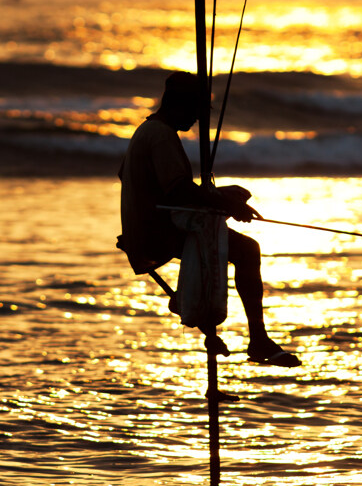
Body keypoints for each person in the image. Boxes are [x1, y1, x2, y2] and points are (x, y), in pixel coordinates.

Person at [118, 71, 301, 367]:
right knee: (247, 250)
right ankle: (258, 340)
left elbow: (137, 178)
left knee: (229, 222)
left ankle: (223, 322)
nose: (196, 120)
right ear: (180, 104)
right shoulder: (161, 135)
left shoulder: (147, 130)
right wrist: (225, 204)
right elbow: (177, 191)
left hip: (147, 228)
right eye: (195, 111)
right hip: (157, 233)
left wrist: (221, 198)